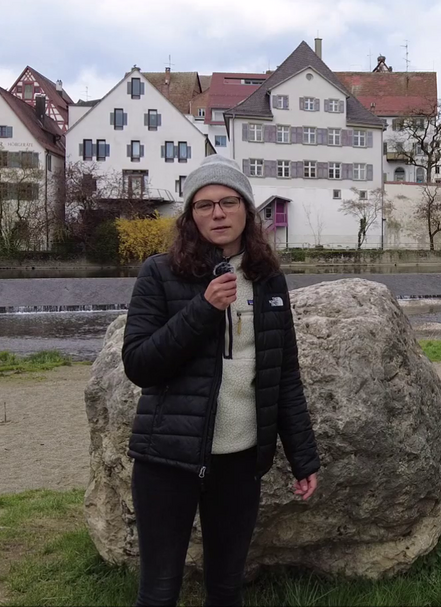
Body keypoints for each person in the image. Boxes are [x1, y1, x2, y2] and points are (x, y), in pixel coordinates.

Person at [122, 155, 320, 606]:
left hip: (240, 460)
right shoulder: (159, 273)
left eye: (228, 202)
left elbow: (283, 373)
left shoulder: (268, 280)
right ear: (190, 216)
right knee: (158, 591)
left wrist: (303, 458)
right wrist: (203, 310)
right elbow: (139, 364)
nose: (218, 213)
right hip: (167, 458)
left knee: (227, 588)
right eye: (204, 204)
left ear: (246, 212)